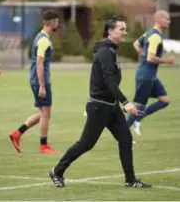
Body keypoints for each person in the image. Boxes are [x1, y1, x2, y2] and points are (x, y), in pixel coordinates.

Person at [48, 17, 151, 188]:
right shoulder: (105, 52)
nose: (125, 32)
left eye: (125, 29)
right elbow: (109, 81)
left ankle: (130, 180)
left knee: (125, 139)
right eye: (121, 29)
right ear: (110, 31)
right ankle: (57, 171)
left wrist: (120, 103)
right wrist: (126, 102)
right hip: (99, 106)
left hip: (111, 105)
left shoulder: (111, 50)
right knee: (86, 144)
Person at [8, 11, 59, 154]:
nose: (58, 23)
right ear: (52, 22)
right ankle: (43, 146)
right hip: (40, 80)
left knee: (43, 113)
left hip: (37, 80)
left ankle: (17, 134)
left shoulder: (41, 37)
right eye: (57, 21)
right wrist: (42, 86)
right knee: (46, 114)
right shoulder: (44, 40)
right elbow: (39, 64)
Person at [126, 10, 175, 136]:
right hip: (146, 76)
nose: (169, 21)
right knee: (139, 108)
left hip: (149, 75)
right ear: (160, 20)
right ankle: (123, 132)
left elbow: (136, 44)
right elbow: (150, 58)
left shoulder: (149, 33)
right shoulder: (155, 37)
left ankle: (137, 121)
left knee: (165, 100)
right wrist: (167, 60)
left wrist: (143, 53)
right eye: (167, 19)